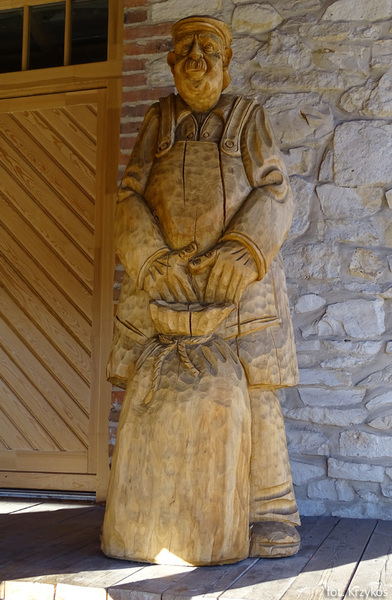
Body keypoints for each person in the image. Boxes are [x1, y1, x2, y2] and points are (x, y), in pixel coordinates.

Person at [102, 15, 300, 563]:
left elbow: (276, 190)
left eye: (208, 49)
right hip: (162, 280)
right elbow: (128, 196)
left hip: (238, 284)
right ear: (170, 63)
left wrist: (245, 249)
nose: (196, 58)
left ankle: (271, 510)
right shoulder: (157, 119)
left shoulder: (248, 117)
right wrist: (149, 256)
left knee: (257, 390)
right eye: (185, 49)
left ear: (225, 63)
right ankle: (150, 508)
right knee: (147, 384)